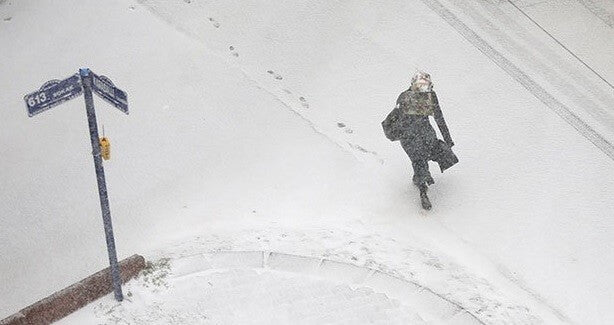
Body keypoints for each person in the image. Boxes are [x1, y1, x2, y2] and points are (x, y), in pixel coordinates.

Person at [382, 72, 458, 210]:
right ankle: (423, 190)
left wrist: (448, 139)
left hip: (423, 135)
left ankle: (419, 180)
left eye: (425, 87)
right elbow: (399, 119)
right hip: (412, 138)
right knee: (420, 162)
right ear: (413, 85)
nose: (423, 90)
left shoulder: (424, 97)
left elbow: (439, 118)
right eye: (420, 86)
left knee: (437, 155)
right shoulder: (406, 98)